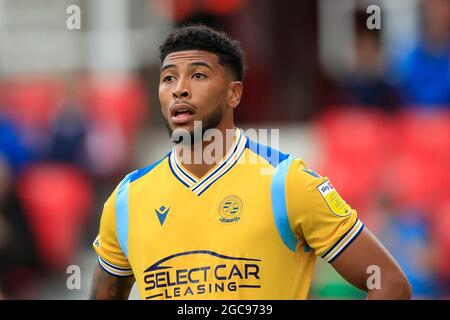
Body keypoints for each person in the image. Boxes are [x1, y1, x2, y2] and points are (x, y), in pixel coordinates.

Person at [90, 25, 411, 300]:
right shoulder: (128, 198)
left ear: (234, 94)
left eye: (198, 75)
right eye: (168, 78)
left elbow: (389, 282)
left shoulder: (286, 182)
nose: (179, 90)